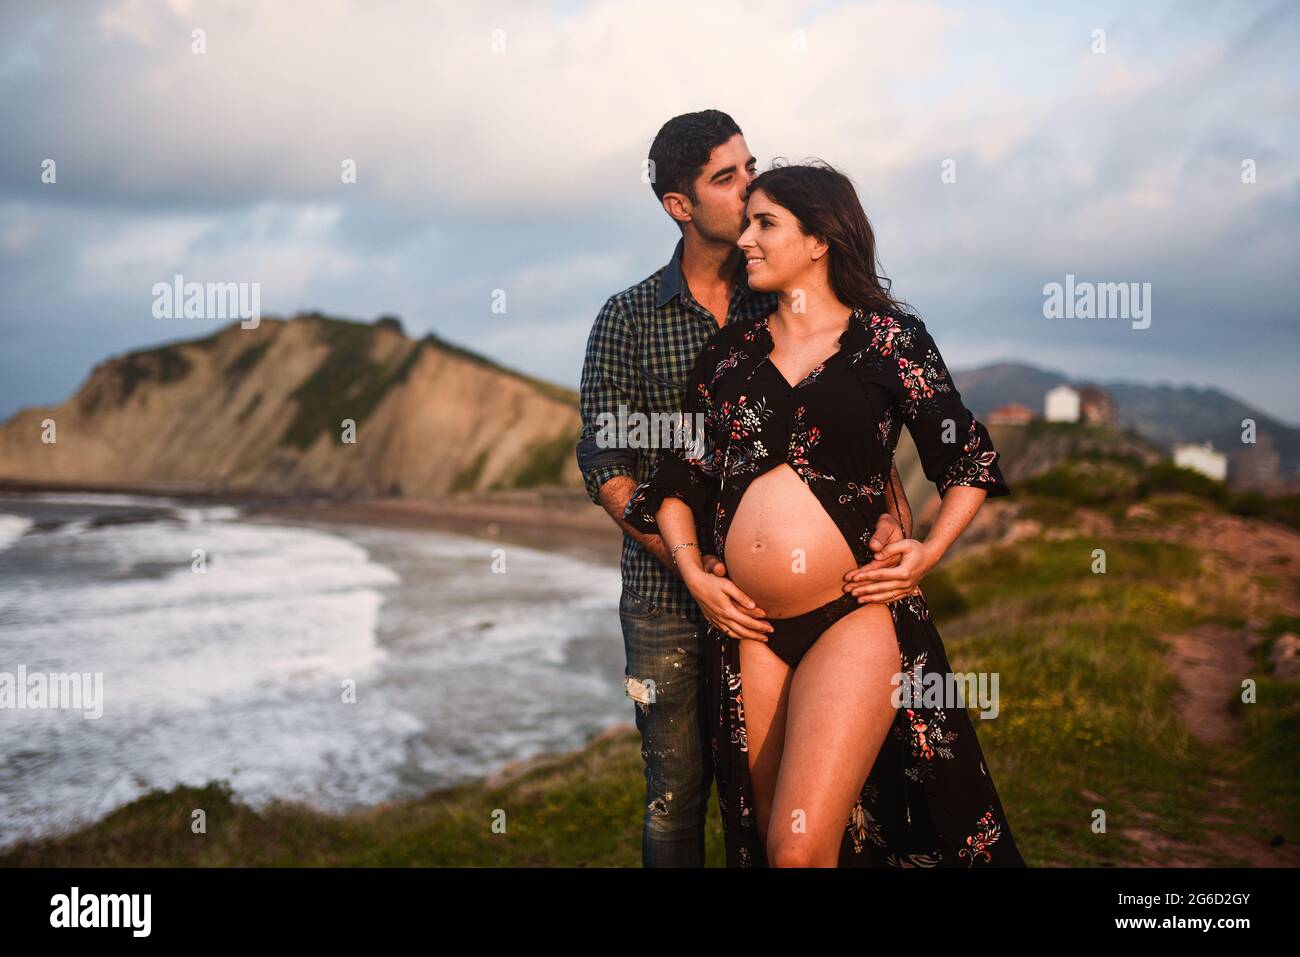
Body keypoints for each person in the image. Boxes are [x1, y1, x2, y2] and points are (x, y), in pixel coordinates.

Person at [621, 158, 1027, 867]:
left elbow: (965, 459)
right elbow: (678, 480)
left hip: (851, 617)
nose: (745, 237)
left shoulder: (891, 341)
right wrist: (694, 573)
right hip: (749, 629)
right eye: (745, 221)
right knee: (779, 843)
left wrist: (928, 550)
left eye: (764, 223)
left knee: (798, 848)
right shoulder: (727, 355)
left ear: (820, 239)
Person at [576, 112, 911, 867]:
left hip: (793, 603)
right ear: (680, 206)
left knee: (782, 799)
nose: (750, 188)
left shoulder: (784, 287)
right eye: (727, 178)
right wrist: (688, 564)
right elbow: (605, 460)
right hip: (666, 598)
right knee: (677, 793)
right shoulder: (627, 317)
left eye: (750, 166)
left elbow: (859, 428)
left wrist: (892, 517)